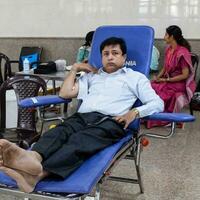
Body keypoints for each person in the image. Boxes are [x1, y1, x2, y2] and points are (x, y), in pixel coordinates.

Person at [0, 37, 164, 193]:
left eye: (115, 53)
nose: (110, 57)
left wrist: (134, 112)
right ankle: (32, 157)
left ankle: (39, 174)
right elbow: (65, 94)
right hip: (82, 117)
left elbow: (158, 103)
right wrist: (76, 69)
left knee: (79, 141)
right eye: (106, 54)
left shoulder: (135, 78)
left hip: (111, 122)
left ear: (124, 57)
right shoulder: (92, 76)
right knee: (58, 132)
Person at [147, 25, 196, 128]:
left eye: (166, 34)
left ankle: (161, 118)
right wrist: (158, 78)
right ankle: (148, 114)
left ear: (172, 37)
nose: (164, 36)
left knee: (158, 90)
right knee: (150, 85)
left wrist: (166, 79)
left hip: (179, 84)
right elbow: (165, 68)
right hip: (169, 80)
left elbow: (185, 75)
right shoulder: (169, 49)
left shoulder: (182, 53)